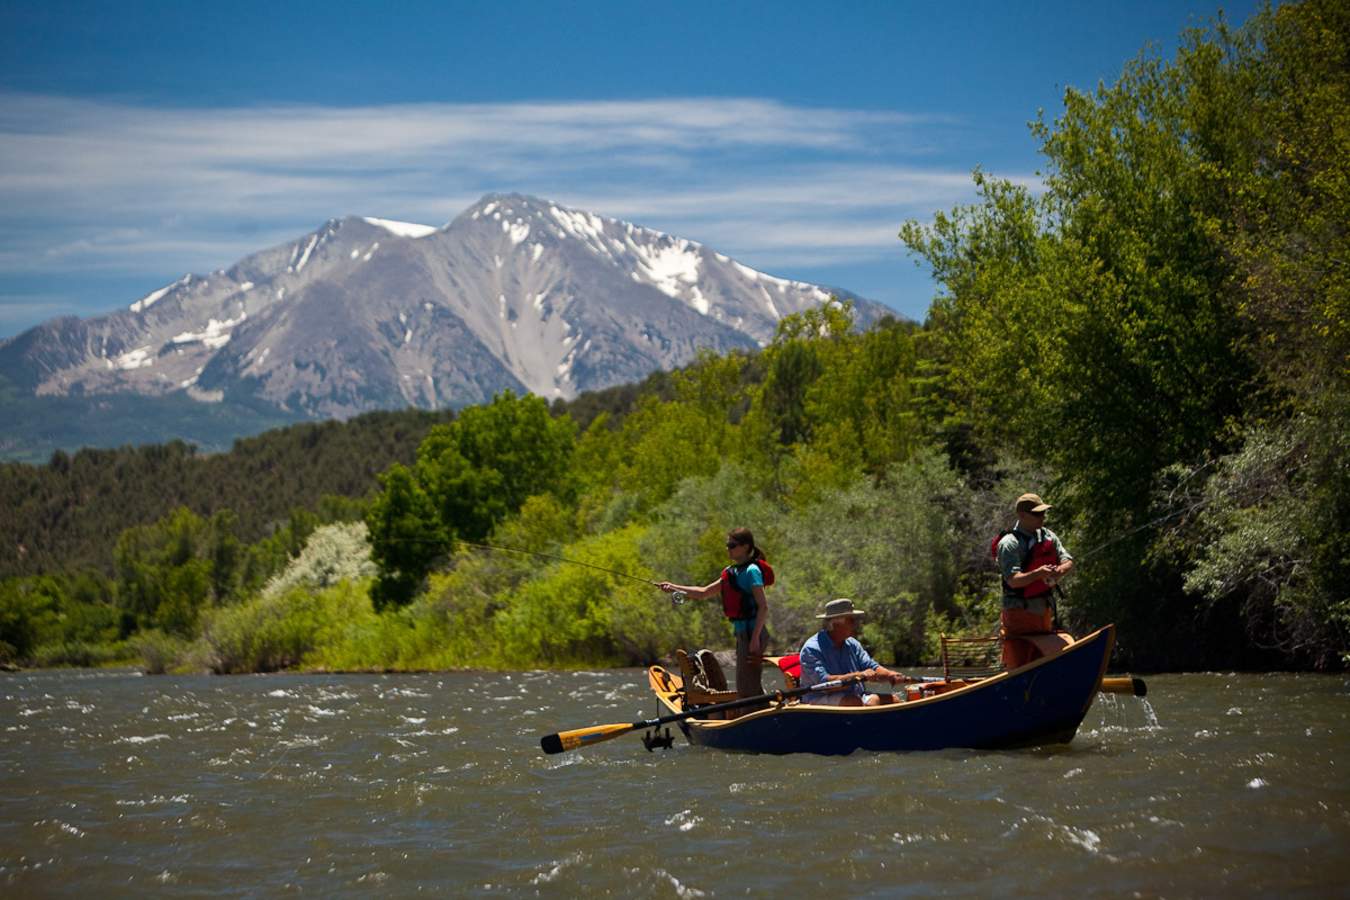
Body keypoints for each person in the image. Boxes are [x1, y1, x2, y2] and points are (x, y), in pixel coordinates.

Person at [658, 527, 771, 701]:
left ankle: (760, 718)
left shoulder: (752, 571)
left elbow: (763, 607)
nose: (728, 549)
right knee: (746, 686)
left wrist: (755, 638)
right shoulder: (730, 572)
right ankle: (755, 714)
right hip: (743, 634)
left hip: (753, 634)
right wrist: (673, 587)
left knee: (748, 687)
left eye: (732, 545)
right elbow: (703, 592)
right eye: (727, 545)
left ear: (745, 547)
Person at [997, 492, 1075, 670]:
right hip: (1018, 616)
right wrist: (1038, 574)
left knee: (1043, 664)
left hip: (1043, 613)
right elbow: (1014, 581)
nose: (1043, 517)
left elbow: (1068, 560)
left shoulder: (1048, 536)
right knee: (1020, 665)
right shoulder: (1009, 543)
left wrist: (1058, 572)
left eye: (1043, 513)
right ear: (1022, 515)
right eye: (1037, 513)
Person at [798, 598, 911, 706]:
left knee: (893, 700)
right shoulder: (811, 649)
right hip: (818, 698)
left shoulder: (853, 644)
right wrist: (859, 675)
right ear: (836, 624)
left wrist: (890, 675)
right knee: (853, 702)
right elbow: (824, 684)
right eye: (851, 620)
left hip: (855, 696)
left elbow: (871, 666)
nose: (855, 624)